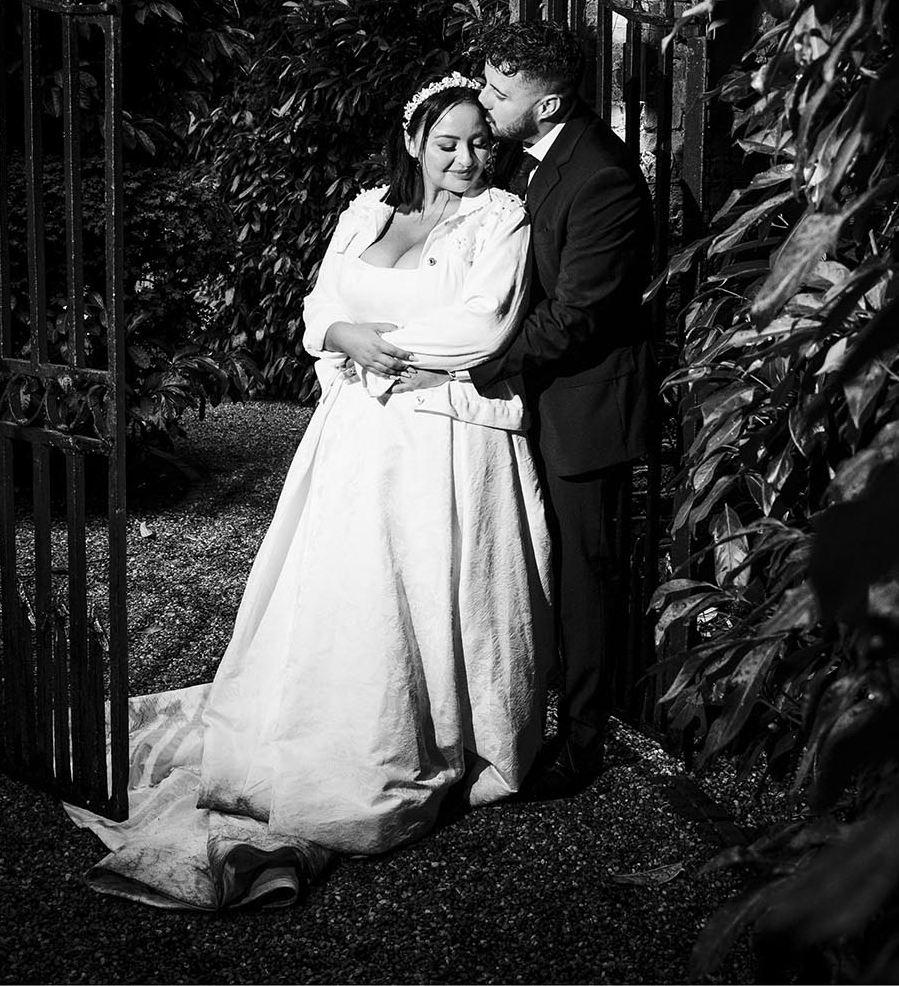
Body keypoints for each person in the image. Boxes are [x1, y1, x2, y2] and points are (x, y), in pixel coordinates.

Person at [65, 74, 551, 909]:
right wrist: (342, 332)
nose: (467, 159)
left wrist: (377, 346)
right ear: (414, 142)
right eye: (448, 144)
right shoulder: (369, 213)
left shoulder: (499, 219)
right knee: (342, 588)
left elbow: (482, 326)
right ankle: (321, 724)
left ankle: (404, 741)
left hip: (436, 436)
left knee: (424, 587)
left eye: (481, 143)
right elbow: (318, 304)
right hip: (355, 434)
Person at [465, 20, 655, 800]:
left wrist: (479, 365)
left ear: (547, 106)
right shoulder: (528, 153)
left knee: (585, 574)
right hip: (535, 397)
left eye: (498, 93)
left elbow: (579, 312)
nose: (483, 100)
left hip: (584, 411)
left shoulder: (603, 176)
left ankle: (582, 744)